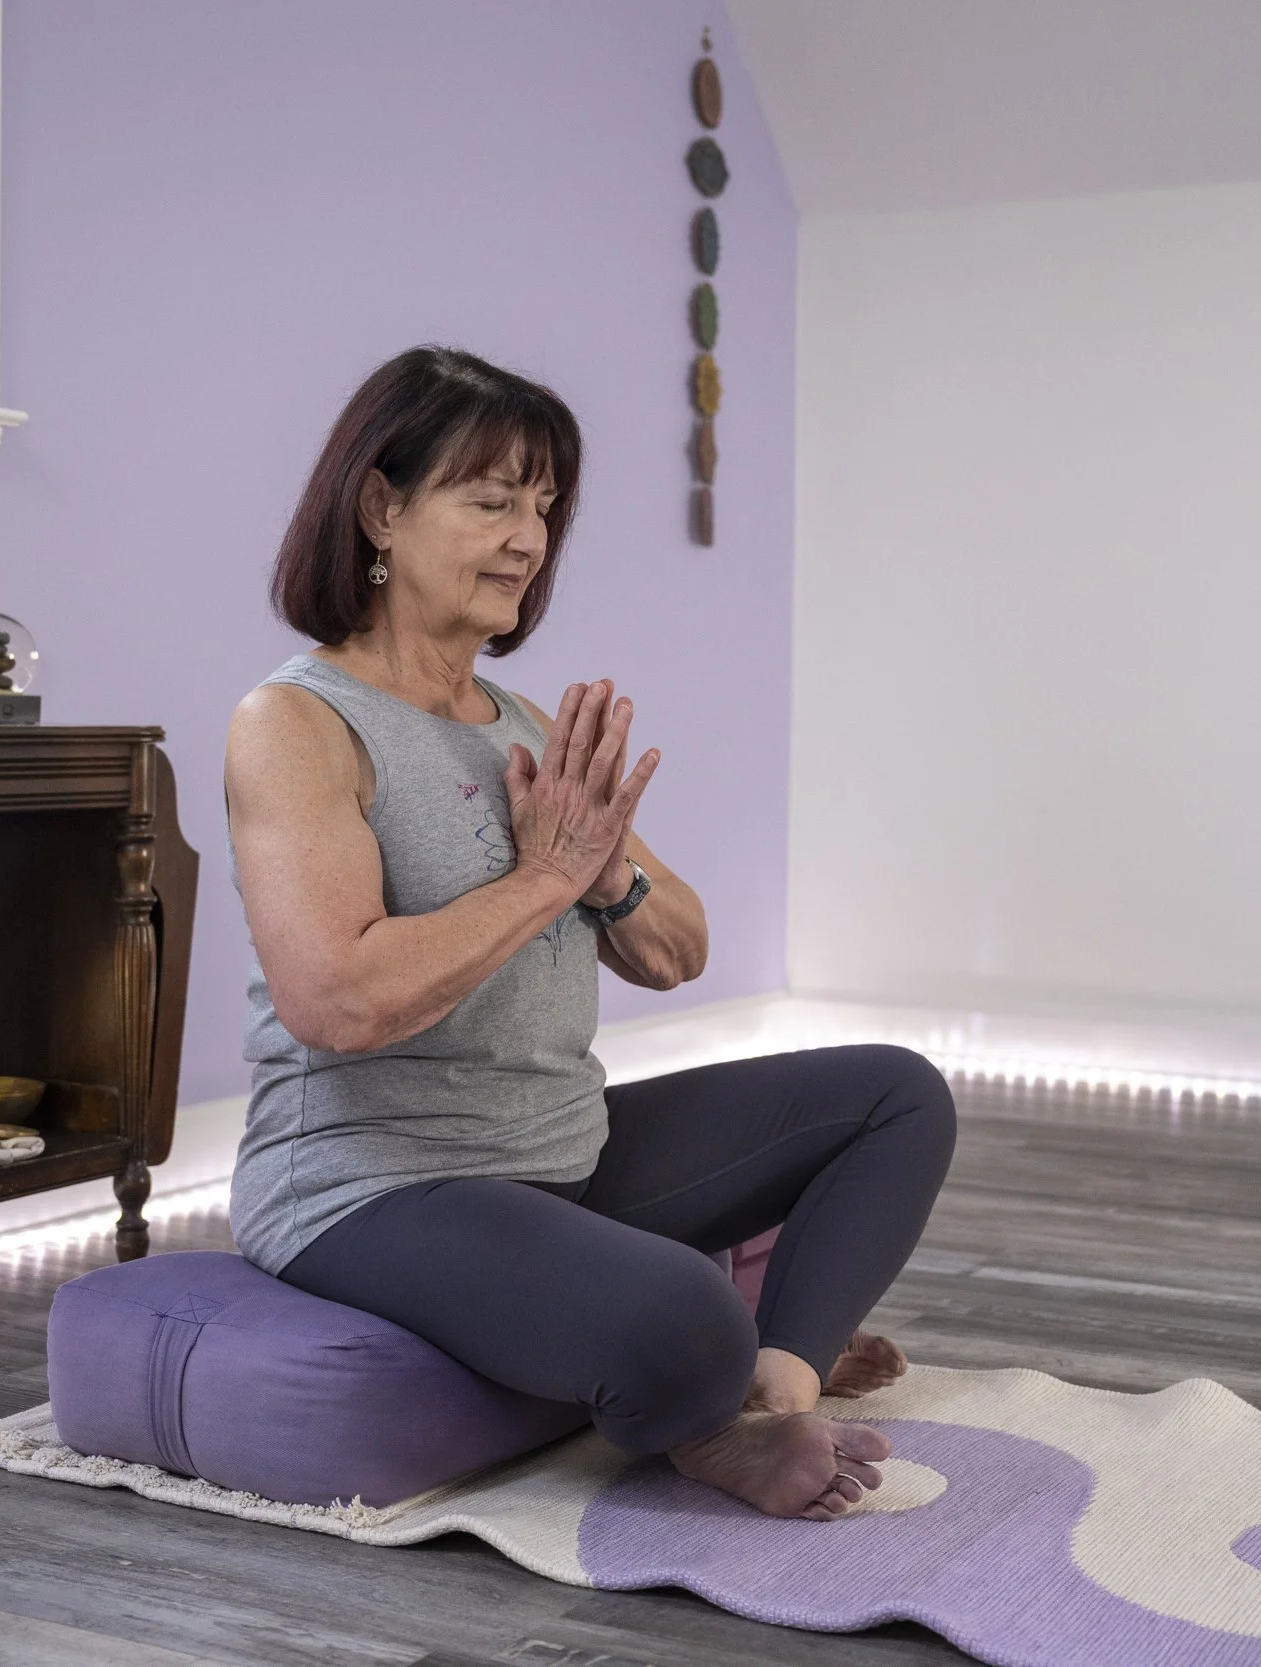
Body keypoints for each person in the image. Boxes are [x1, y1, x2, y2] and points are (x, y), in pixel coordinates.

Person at [226, 346, 955, 1520]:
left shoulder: (522, 724)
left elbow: (681, 948)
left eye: (543, 505)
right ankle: (712, 1397)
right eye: (491, 500)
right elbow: (336, 999)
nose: (528, 538)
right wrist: (544, 876)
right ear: (380, 507)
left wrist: (606, 870)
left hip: (562, 1150)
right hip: (375, 1183)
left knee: (896, 1093)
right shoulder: (298, 723)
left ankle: (773, 1389)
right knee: (685, 1310)